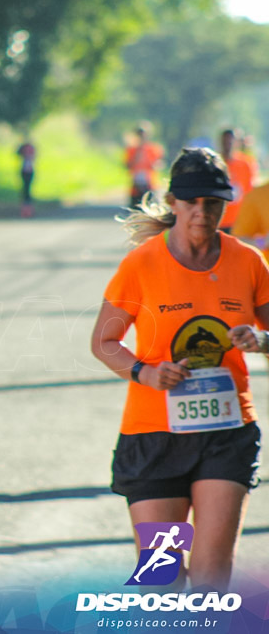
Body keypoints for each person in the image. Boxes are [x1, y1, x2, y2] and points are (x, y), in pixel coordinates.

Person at [91, 147, 268, 593]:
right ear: (174, 203)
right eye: (193, 203)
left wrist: (262, 341)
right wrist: (145, 373)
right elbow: (104, 342)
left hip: (225, 433)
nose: (203, 214)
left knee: (211, 575)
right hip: (154, 436)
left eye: (213, 203)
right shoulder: (142, 264)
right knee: (162, 578)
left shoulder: (248, 262)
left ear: (226, 204)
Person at [219, 128, 259, 232]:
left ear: (236, 142)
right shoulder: (215, 164)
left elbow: (250, 192)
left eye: (231, 141)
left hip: (238, 221)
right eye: (225, 141)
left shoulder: (245, 164)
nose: (228, 144)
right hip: (218, 220)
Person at [124, 124, 164, 209]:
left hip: (149, 184)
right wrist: (139, 151)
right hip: (136, 185)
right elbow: (128, 165)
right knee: (135, 210)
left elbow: (157, 164)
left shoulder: (153, 149)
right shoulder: (131, 149)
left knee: (151, 209)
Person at [16, 137, 36, 218]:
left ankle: (28, 210)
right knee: (25, 190)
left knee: (27, 190)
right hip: (25, 171)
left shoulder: (31, 150)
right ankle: (26, 210)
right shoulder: (24, 150)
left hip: (29, 170)